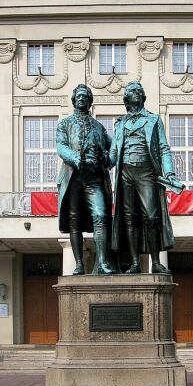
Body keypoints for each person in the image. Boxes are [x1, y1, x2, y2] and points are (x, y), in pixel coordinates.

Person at [109, 81, 181, 274]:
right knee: (129, 218)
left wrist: (169, 173)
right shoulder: (120, 123)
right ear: (126, 98)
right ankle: (134, 262)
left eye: (140, 91)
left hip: (146, 172)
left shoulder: (153, 120)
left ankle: (155, 262)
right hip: (125, 173)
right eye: (133, 91)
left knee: (151, 216)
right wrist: (99, 162)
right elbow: (114, 153)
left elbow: (164, 148)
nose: (138, 93)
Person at [55, 84, 115, 275]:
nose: (82, 98)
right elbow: (61, 146)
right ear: (74, 100)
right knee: (74, 221)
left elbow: (113, 149)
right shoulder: (64, 124)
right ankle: (79, 264)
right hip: (73, 176)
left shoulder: (98, 127)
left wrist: (107, 159)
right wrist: (76, 158)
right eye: (78, 96)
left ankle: (103, 263)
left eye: (85, 96)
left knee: (101, 216)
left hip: (94, 177)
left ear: (89, 101)